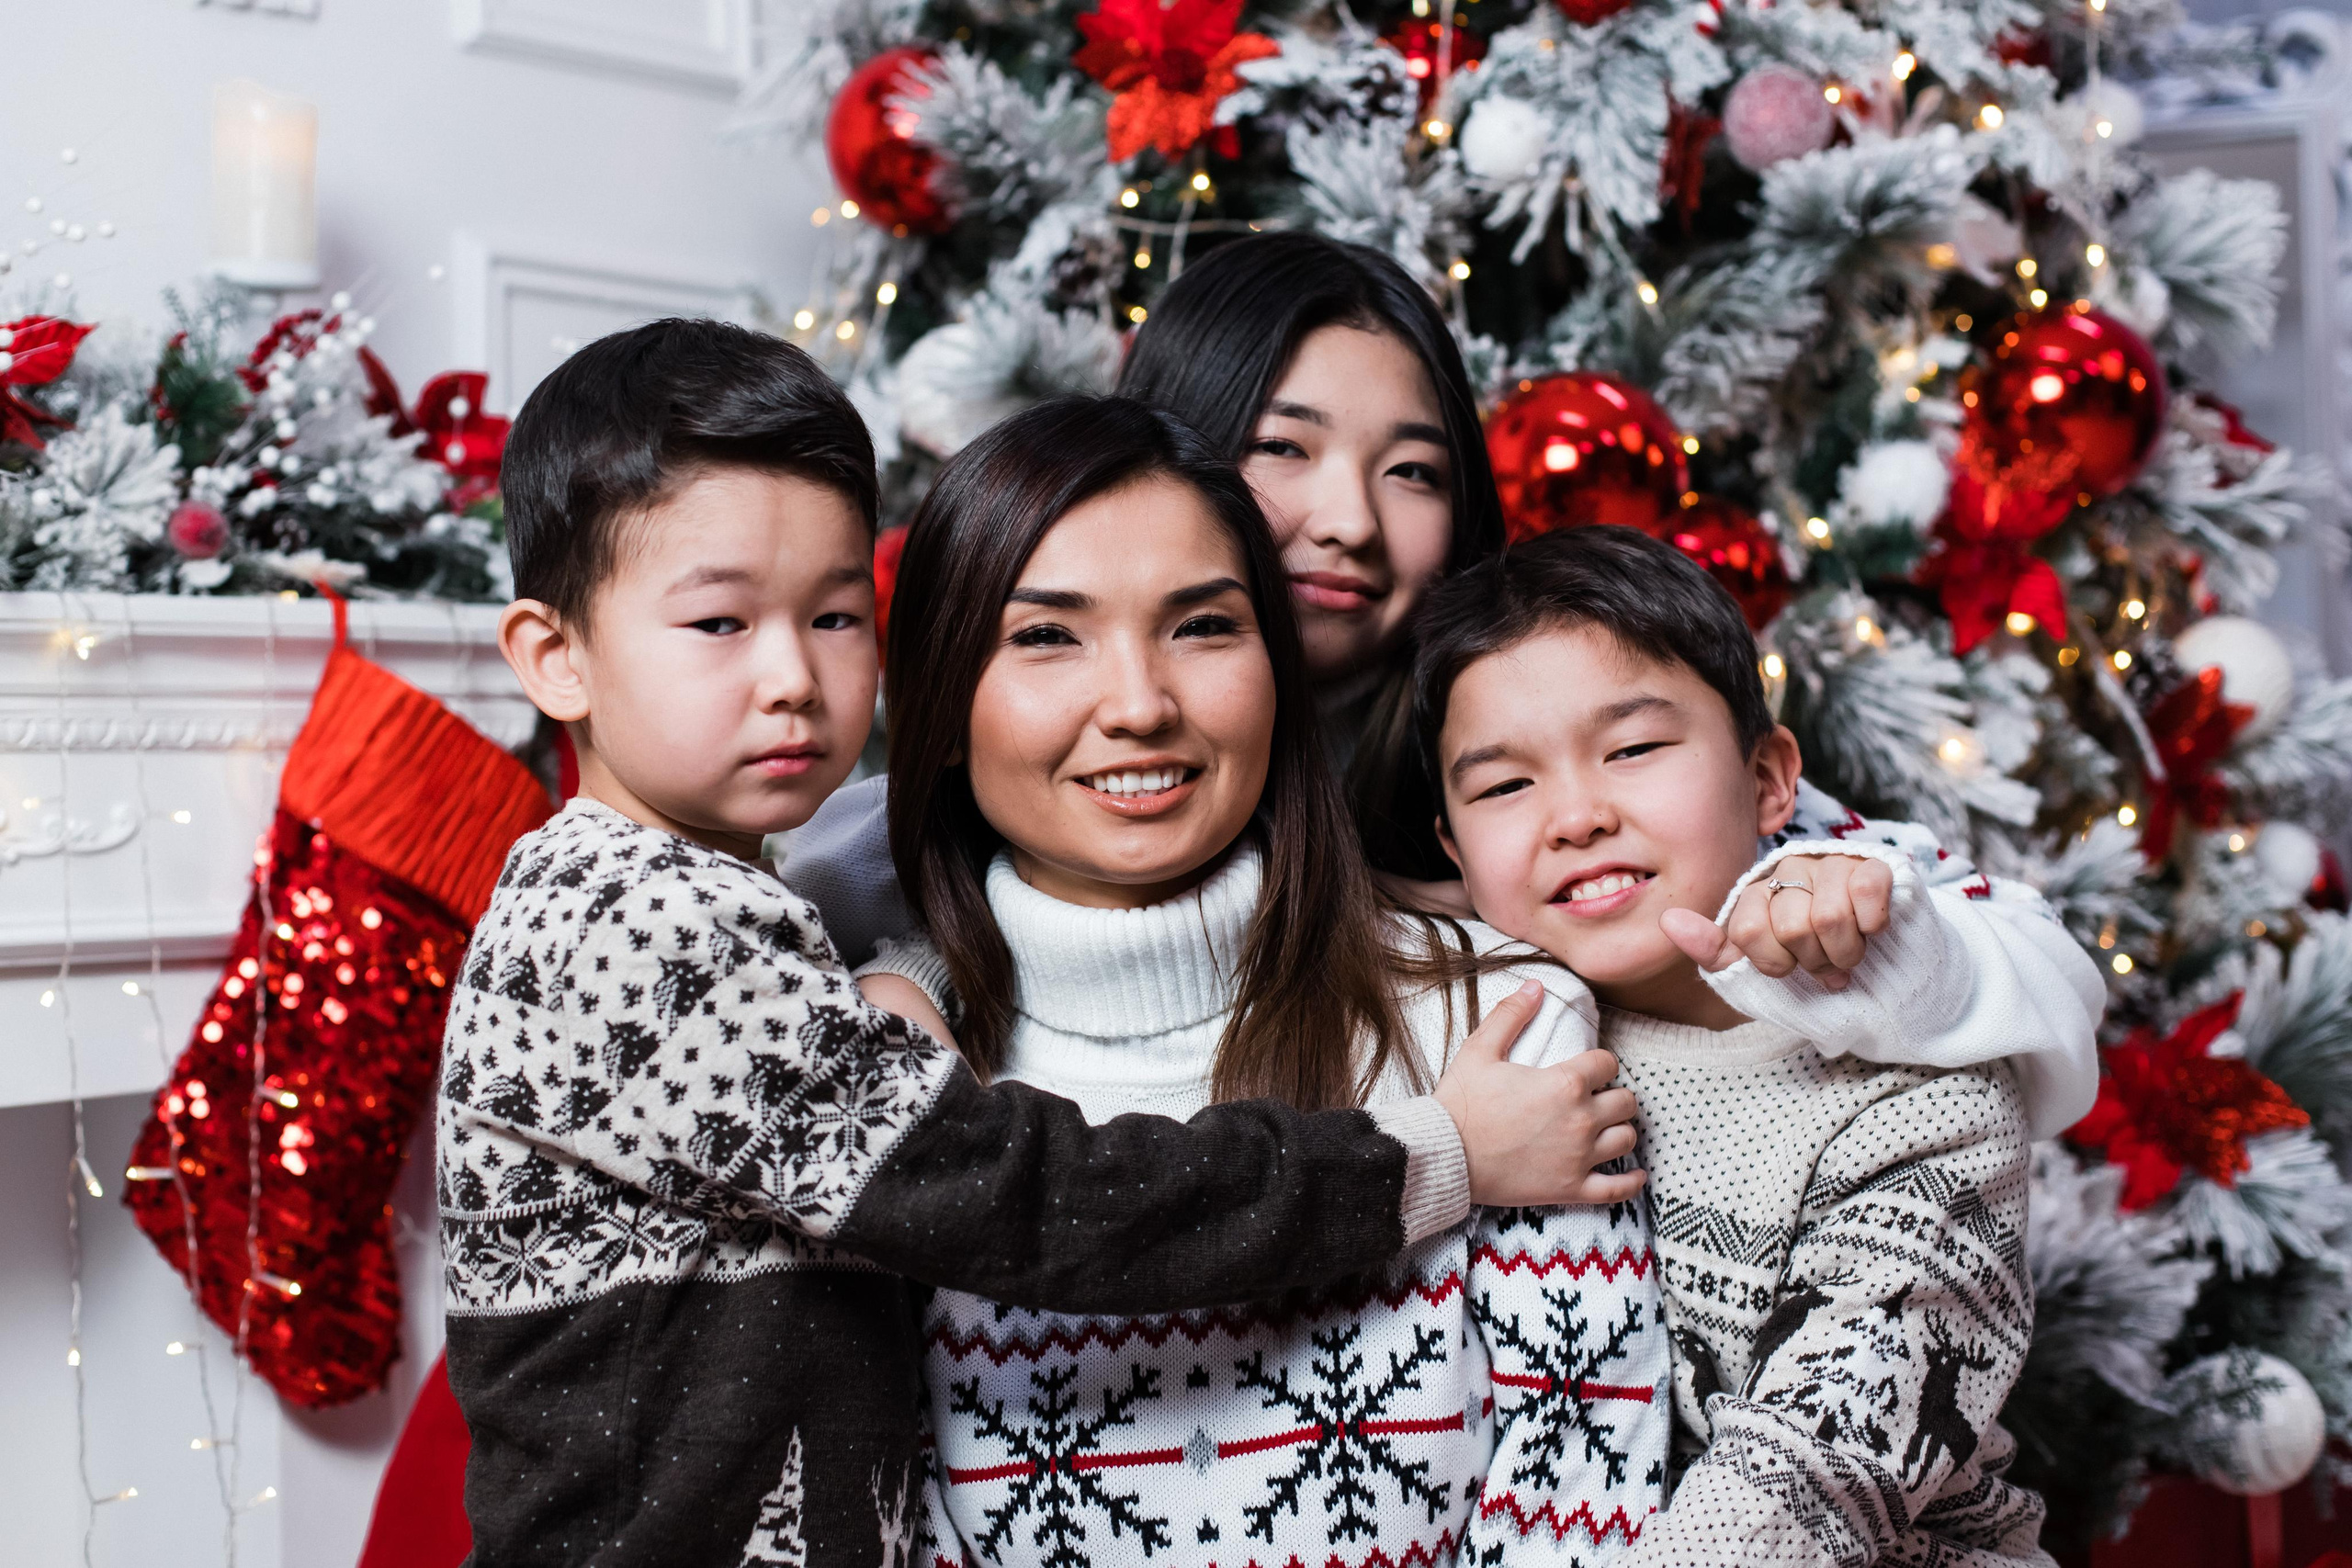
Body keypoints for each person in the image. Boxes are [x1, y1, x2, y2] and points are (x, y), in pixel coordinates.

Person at [438, 320, 1635, 1568]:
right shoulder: (647, 925)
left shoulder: (763, 914)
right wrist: (1435, 1151)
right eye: (720, 624)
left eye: (837, 616)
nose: (792, 677)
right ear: (554, 656)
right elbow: (1030, 1197)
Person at [852, 393, 1667, 1565]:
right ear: (935, 708)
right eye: (1046, 637)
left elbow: (1581, 1505)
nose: (1139, 706)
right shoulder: (893, 1078)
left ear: (1277, 674)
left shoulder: (1497, 1024)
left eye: (1202, 626)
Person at [1410, 526, 2109, 1566]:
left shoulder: (1922, 1102)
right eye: (1504, 786)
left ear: (1772, 781)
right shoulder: (1487, 1064)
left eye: (1634, 749)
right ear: (1455, 855)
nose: (1575, 815)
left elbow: (1810, 1487)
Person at [789, 231, 1504, 961]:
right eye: (1283, 447)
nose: (1352, 521)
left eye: (1413, 471)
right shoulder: (876, 859)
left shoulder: (1504, 784)